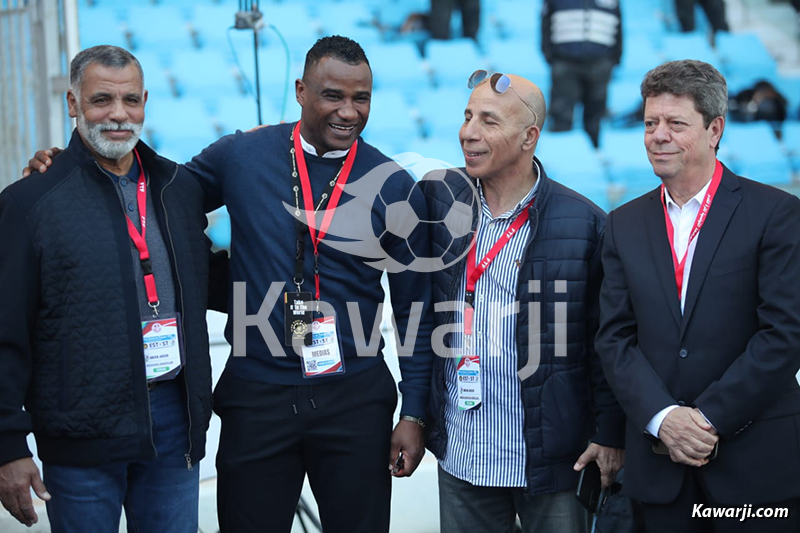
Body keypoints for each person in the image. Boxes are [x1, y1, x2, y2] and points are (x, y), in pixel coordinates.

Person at [25, 36, 436, 533]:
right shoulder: (243, 154)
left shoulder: (392, 183)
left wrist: (414, 413)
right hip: (256, 397)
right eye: (332, 96)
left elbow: (416, 307)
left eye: (361, 98)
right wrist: (70, 163)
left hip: (355, 399)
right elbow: (156, 191)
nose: (348, 112)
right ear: (302, 91)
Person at [0, 45, 226, 532]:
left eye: (131, 101)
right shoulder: (30, 202)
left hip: (174, 422)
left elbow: (207, 281)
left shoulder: (177, 187)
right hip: (82, 433)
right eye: (102, 100)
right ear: (73, 104)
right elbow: (4, 335)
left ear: (145, 101)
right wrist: (8, 446)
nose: (119, 115)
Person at [596, 59, 800, 532]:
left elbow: (784, 334)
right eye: (650, 123)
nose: (658, 135)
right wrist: (663, 418)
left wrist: (705, 420)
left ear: (714, 129)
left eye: (675, 123)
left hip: (756, 470)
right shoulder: (623, 224)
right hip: (659, 470)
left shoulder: (777, 213)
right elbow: (614, 339)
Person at [421, 69, 626, 533]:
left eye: (489, 121)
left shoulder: (586, 223)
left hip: (555, 461)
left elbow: (607, 342)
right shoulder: (437, 202)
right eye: (467, 116)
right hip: (463, 455)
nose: (468, 132)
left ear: (530, 135)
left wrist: (609, 433)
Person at [541, 0, 622, 148]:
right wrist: (552, 57)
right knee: (561, 114)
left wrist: (614, 60)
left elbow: (619, 26)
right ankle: (561, 154)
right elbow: (545, 25)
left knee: (595, 114)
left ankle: (595, 153)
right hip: (565, 62)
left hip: (600, 63)